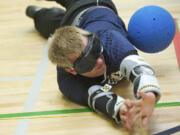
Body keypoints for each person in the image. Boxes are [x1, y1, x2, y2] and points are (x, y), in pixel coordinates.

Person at [26, 0, 161, 131]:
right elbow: (94, 96)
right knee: (50, 25)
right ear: (71, 70)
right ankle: (37, 12)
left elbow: (137, 67)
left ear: (92, 37)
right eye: (87, 62)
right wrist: (120, 109)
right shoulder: (67, 81)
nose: (100, 61)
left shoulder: (109, 38)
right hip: (72, 20)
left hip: (93, 4)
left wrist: (149, 94)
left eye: (95, 49)